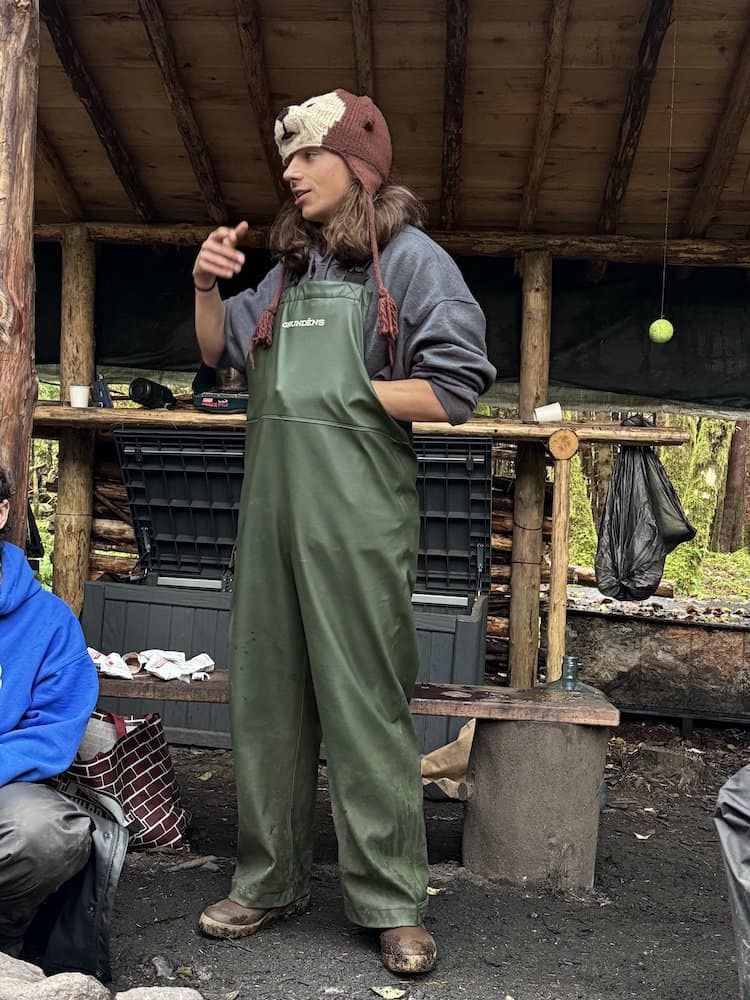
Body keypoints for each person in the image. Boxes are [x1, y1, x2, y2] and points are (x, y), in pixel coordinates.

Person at [192, 89, 496, 974]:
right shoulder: (287, 272)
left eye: (306, 157)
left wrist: (342, 395)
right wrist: (208, 286)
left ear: (355, 166)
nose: (288, 173)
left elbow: (454, 387)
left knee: (364, 707)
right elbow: (220, 354)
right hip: (272, 523)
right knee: (267, 703)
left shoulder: (411, 262)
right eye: (285, 160)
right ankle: (268, 880)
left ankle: (392, 900)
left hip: (358, 524)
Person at [0, 466, 100, 958]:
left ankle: (5, 939)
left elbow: (52, 733)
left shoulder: (49, 622)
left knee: (46, 832)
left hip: (3, 789)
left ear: (0, 514)